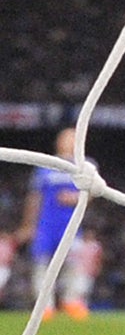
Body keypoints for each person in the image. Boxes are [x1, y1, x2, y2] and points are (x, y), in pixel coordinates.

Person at [15, 126, 84, 322]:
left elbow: (95, 191)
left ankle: (72, 301)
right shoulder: (46, 166)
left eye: (73, 138)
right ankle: (45, 306)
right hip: (46, 225)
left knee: (73, 264)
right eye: (66, 138)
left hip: (71, 225)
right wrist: (29, 225)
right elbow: (35, 197)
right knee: (42, 264)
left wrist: (75, 197)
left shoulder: (85, 165)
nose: (69, 142)